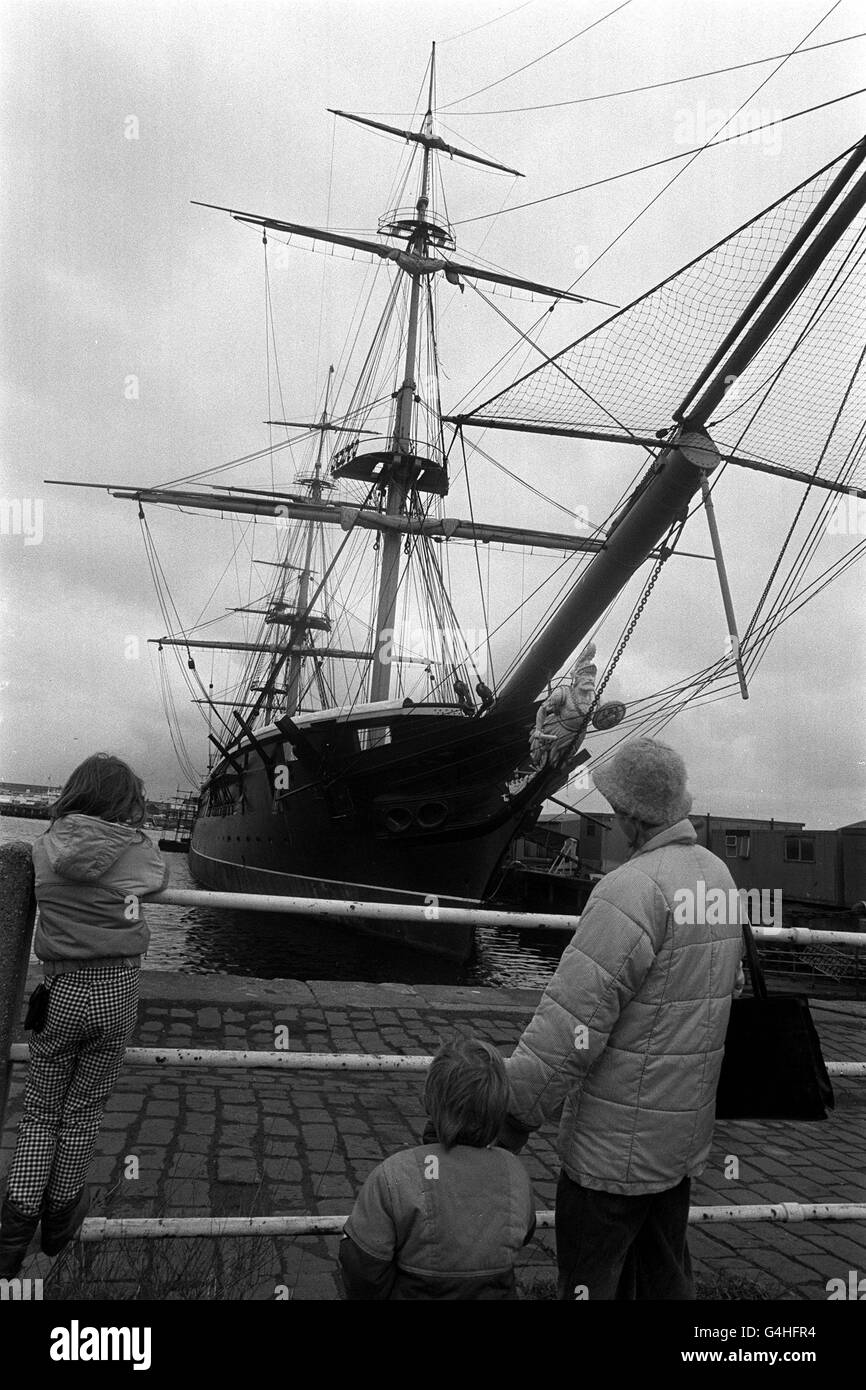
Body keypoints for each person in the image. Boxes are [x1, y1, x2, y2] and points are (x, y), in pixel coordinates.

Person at [501, 738, 745, 1301]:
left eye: (614, 812)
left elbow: (572, 1026)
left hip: (612, 1153)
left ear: (634, 819)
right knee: (664, 1278)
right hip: (680, 1142)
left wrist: (515, 1113)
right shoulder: (719, 878)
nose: (610, 824)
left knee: (592, 1282)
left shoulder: (630, 889)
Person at [0, 753, 169, 1276]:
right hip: (116, 991)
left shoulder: (43, 849)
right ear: (125, 803)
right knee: (85, 1109)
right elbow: (158, 879)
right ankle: (60, 1214)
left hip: (61, 990)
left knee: (42, 1110)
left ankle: (15, 1225)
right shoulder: (137, 851)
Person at [339, 1037, 536, 1300]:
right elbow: (524, 1231)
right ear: (500, 1105)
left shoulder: (394, 1175)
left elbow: (362, 1264)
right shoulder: (514, 1171)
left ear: (429, 1100)